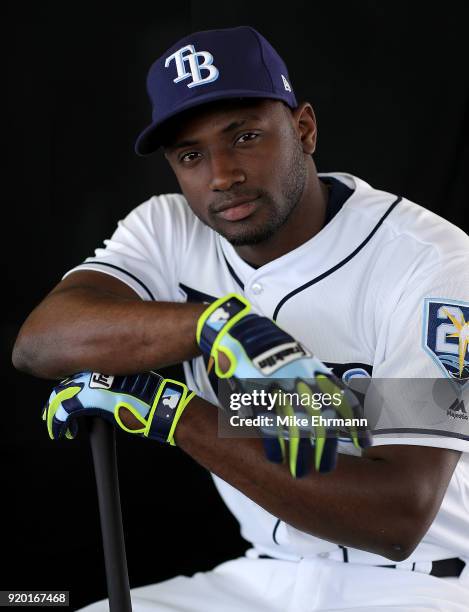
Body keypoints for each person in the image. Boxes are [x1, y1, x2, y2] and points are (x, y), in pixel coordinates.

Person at [12, 25, 469, 612]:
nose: (222, 175)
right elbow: (41, 340)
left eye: (245, 136)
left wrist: (176, 416)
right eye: (191, 155)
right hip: (266, 577)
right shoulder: (169, 230)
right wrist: (213, 326)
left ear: (303, 128)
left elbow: (398, 514)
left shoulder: (427, 261)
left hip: (419, 580)